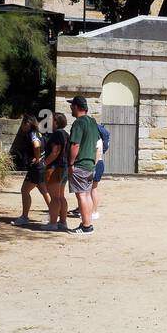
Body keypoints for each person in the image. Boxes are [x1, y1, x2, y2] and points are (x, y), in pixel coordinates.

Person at [66, 96, 100, 235]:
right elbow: (98, 145)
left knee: (82, 196)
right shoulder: (92, 122)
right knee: (86, 194)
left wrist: (70, 163)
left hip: (80, 165)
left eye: (71, 105)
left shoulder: (79, 123)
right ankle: (87, 222)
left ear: (76, 107)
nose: (70, 108)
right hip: (90, 165)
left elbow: (75, 145)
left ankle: (86, 226)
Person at [12, 113, 44, 226]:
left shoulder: (32, 133)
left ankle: (24, 217)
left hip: (36, 167)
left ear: (27, 123)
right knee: (44, 192)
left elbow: (36, 145)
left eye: (22, 123)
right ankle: (54, 215)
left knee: (24, 190)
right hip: (41, 167)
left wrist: (37, 158)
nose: (21, 126)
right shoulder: (39, 133)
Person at [41, 112, 69, 230]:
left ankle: (53, 223)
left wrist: (44, 163)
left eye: (52, 120)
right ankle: (63, 222)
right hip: (64, 167)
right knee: (61, 196)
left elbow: (55, 151)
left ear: (56, 122)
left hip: (54, 168)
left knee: (55, 198)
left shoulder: (56, 134)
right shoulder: (66, 134)